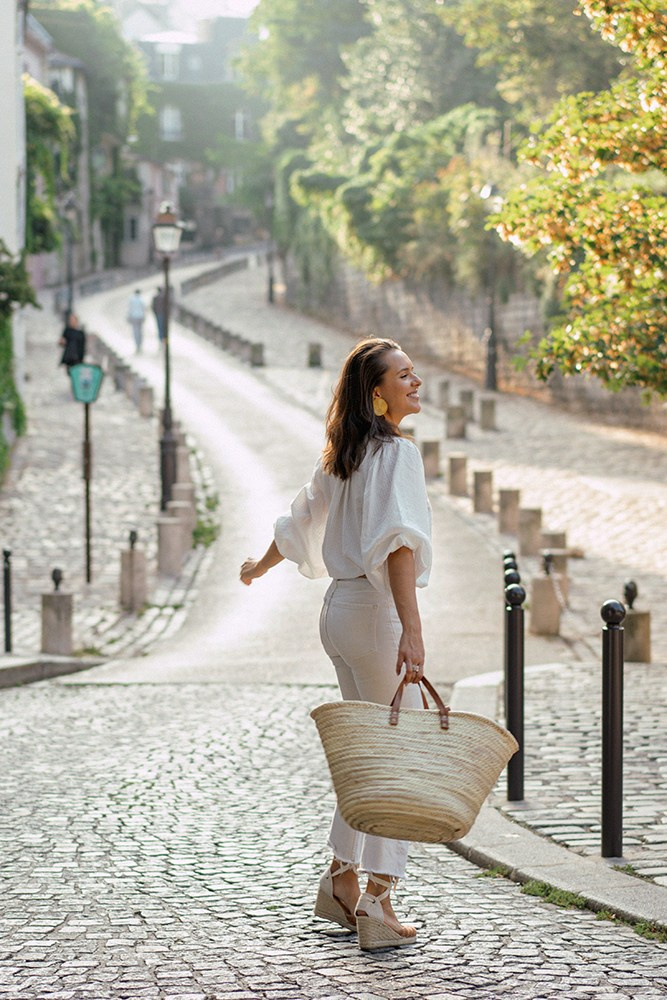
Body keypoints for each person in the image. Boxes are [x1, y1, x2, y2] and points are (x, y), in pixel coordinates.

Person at [240, 338, 431, 952]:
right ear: (377, 394)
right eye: (404, 375)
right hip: (376, 617)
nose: (416, 382)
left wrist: (258, 568)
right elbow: (398, 546)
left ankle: (341, 879)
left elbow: (298, 522)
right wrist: (413, 631)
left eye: (414, 372)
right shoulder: (398, 455)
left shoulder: (342, 455)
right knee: (396, 760)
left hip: (338, 613)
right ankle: (378, 899)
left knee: (365, 756)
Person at [127, 289, 145, 353]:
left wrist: (129, 317)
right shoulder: (141, 299)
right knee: (140, 331)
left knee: (135, 331)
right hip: (140, 316)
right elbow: (144, 308)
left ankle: (137, 345)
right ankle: (140, 344)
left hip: (134, 317)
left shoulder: (132, 299)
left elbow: (130, 309)